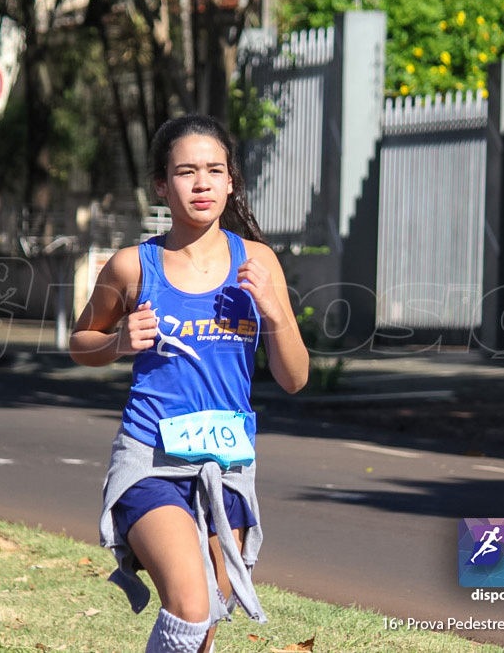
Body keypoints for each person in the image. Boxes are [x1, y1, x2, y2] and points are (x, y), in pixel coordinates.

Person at [69, 113, 309, 653]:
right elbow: (80, 343)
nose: (201, 183)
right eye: (185, 172)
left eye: (214, 170)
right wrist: (119, 343)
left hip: (227, 466)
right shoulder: (133, 266)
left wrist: (273, 308)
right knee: (191, 603)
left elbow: (295, 378)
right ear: (161, 184)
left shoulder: (259, 263)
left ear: (231, 182)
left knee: (206, 626)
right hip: (151, 458)